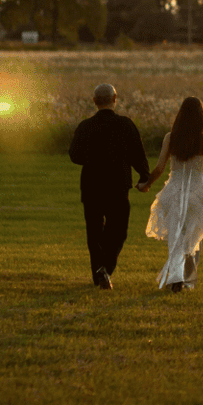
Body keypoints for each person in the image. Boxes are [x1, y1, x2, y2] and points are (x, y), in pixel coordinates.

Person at [67, 83, 154, 290]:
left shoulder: (85, 126)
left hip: (91, 186)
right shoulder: (126, 125)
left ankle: (99, 273)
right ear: (115, 99)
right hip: (118, 185)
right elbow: (137, 154)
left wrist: (93, 158)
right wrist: (144, 176)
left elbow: (74, 155)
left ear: (94, 101)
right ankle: (105, 268)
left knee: (94, 231)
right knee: (118, 230)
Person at [145, 95, 203, 293]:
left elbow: (160, 167)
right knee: (193, 239)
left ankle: (178, 277)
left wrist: (147, 182)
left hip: (174, 192)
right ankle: (186, 280)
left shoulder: (171, 138)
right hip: (198, 193)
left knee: (176, 237)